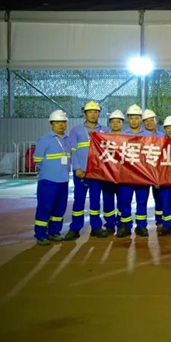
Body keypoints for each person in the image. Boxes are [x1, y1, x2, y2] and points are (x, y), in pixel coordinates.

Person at [64, 101, 108, 241]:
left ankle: (96, 227)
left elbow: (108, 152)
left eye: (96, 112)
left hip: (97, 173)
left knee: (95, 201)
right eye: (90, 112)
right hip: (81, 172)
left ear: (99, 114)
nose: (93, 114)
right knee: (79, 200)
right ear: (84, 114)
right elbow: (72, 150)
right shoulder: (76, 130)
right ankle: (75, 228)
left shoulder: (105, 130)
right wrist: (77, 168)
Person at [32, 110, 72, 246]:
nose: (61, 125)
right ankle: (40, 234)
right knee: (45, 207)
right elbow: (37, 160)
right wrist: (49, 170)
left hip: (63, 180)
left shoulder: (68, 140)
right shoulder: (44, 140)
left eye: (63, 122)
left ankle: (54, 232)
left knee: (59, 208)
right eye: (57, 122)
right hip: (48, 181)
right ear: (51, 124)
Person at [118, 104, 150, 238]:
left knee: (142, 202)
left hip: (143, 175)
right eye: (131, 118)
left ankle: (141, 226)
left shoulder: (149, 136)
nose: (134, 121)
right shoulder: (122, 136)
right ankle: (125, 226)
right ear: (127, 119)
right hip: (126, 175)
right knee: (125, 202)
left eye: (136, 118)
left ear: (141, 119)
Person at [100, 110, 124, 235]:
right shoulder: (103, 139)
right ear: (109, 123)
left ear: (122, 123)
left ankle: (120, 224)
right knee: (108, 201)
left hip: (123, 176)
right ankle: (109, 224)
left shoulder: (128, 139)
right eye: (113, 122)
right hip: (107, 176)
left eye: (118, 122)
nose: (115, 124)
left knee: (122, 202)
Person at [142, 108, 164, 228]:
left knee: (159, 199)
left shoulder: (162, 136)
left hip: (158, 173)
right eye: (146, 121)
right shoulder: (140, 136)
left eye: (151, 120)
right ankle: (141, 225)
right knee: (142, 200)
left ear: (156, 121)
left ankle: (160, 221)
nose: (149, 123)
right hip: (143, 172)